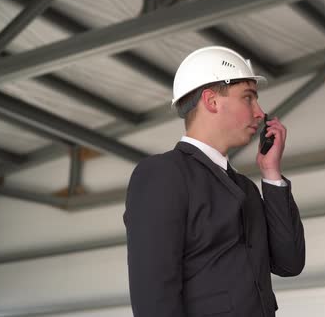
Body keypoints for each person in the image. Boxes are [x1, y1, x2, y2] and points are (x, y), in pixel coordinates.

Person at [124, 46, 306, 317]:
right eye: (248, 98)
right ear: (211, 101)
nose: (260, 112)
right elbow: (154, 297)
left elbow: (289, 263)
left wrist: (271, 174)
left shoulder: (246, 188)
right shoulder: (163, 174)